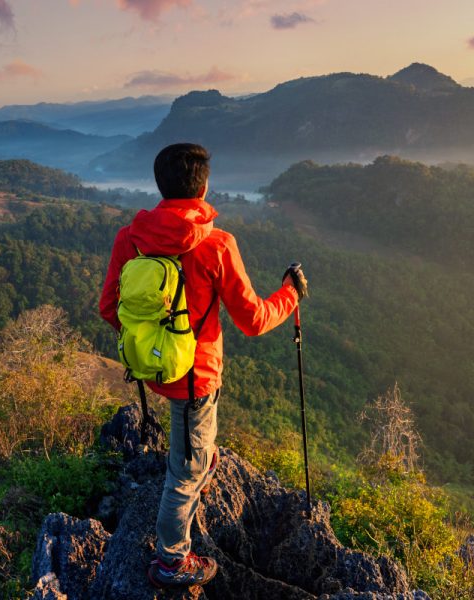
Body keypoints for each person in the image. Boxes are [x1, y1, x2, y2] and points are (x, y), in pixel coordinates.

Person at [99, 143, 307, 589]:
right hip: (197, 378)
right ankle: (171, 562)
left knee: (194, 447)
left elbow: (108, 307)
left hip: (156, 371)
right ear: (204, 186)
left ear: (160, 185)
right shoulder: (217, 245)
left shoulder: (130, 238)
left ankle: (201, 459)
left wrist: (151, 343)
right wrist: (289, 295)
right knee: (183, 474)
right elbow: (252, 320)